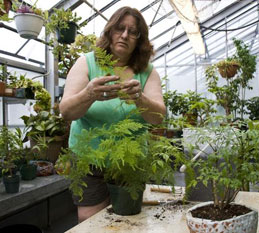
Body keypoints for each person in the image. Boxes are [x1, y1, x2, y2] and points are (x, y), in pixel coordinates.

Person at [59, 6, 166, 223]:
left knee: (128, 221)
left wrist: (140, 99)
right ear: (110, 31)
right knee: (92, 222)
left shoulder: (147, 71)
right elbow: (66, 111)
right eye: (120, 28)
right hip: (89, 160)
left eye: (133, 31)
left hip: (130, 163)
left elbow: (159, 118)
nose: (125, 35)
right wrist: (88, 94)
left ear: (140, 39)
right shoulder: (88, 62)